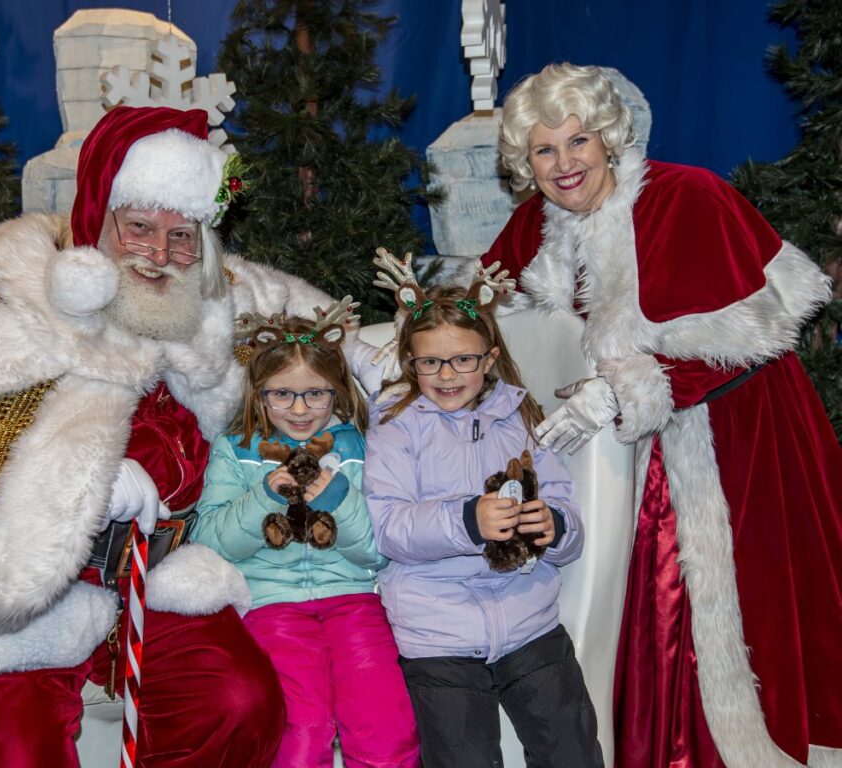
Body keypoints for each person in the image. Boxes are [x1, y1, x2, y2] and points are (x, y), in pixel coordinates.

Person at [0, 106, 343, 767]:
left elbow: (314, 323)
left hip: (149, 581)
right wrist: (76, 488)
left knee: (238, 702)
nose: (160, 253)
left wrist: (388, 363)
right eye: (141, 228)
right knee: (10, 749)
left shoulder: (207, 303)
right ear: (100, 218)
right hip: (2, 600)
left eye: (182, 235)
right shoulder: (10, 298)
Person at [483, 62, 842, 768]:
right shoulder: (534, 224)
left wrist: (622, 389)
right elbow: (488, 320)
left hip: (735, 437)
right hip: (609, 462)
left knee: (723, 604)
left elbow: (757, 330)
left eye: (577, 142)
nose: (563, 164)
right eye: (544, 150)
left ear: (608, 140)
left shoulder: (690, 197)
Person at [361, 266, 603, 768]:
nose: (447, 375)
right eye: (431, 362)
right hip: (436, 632)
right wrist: (469, 520)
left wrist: (554, 527)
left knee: (573, 751)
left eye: (463, 360)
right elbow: (388, 527)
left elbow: (568, 516)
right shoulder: (395, 423)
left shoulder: (520, 415)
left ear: (489, 358)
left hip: (530, 624)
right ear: (410, 361)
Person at [192, 307, 420, 768]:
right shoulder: (235, 449)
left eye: (315, 393)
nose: (299, 409)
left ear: (336, 391)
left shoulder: (360, 447)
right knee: (303, 724)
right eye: (282, 394)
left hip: (355, 601)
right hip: (270, 606)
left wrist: (339, 500)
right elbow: (211, 545)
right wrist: (263, 498)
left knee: (385, 723)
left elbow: (379, 552)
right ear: (260, 394)